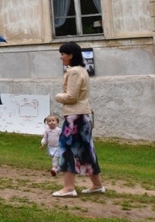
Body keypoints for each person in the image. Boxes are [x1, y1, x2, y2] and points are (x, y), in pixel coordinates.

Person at [52, 41, 105, 197]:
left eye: (63, 54)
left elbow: (71, 96)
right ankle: (97, 185)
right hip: (82, 115)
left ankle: (68, 188)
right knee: (86, 151)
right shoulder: (82, 70)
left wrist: (58, 96)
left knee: (67, 149)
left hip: (75, 117)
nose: (61, 57)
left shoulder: (74, 71)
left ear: (70, 55)